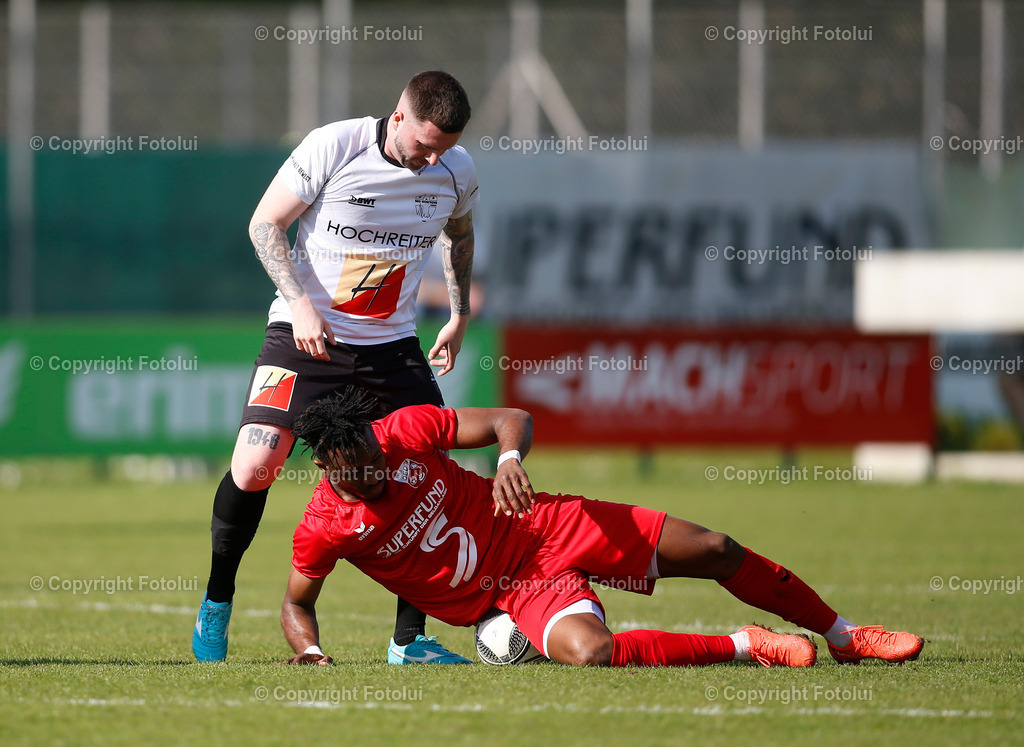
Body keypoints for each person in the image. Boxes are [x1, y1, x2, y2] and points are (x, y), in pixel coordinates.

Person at [277, 388, 925, 668]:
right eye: (361, 468)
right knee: (593, 653)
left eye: (373, 452)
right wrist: (307, 648)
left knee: (715, 548)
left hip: (544, 525)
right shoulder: (326, 526)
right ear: (331, 465)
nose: (377, 469)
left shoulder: (403, 433)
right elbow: (295, 602)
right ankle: (745, 645)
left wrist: (507, 458)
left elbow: (512, 417)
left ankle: (846, 634)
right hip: (515, 593)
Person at [192, 70, 480, 665]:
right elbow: (263, 224)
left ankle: (409, 640)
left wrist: (457, 314)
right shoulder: (334, 145)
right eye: (424, 145)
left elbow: (460, 235)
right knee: (256, 462)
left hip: (392, 346)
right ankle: (217, 602)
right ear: (398, 116)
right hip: (305, 336)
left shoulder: (456, 171)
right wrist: (300, 306)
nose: (431, 159)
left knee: (428, 471)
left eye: (443, 149)